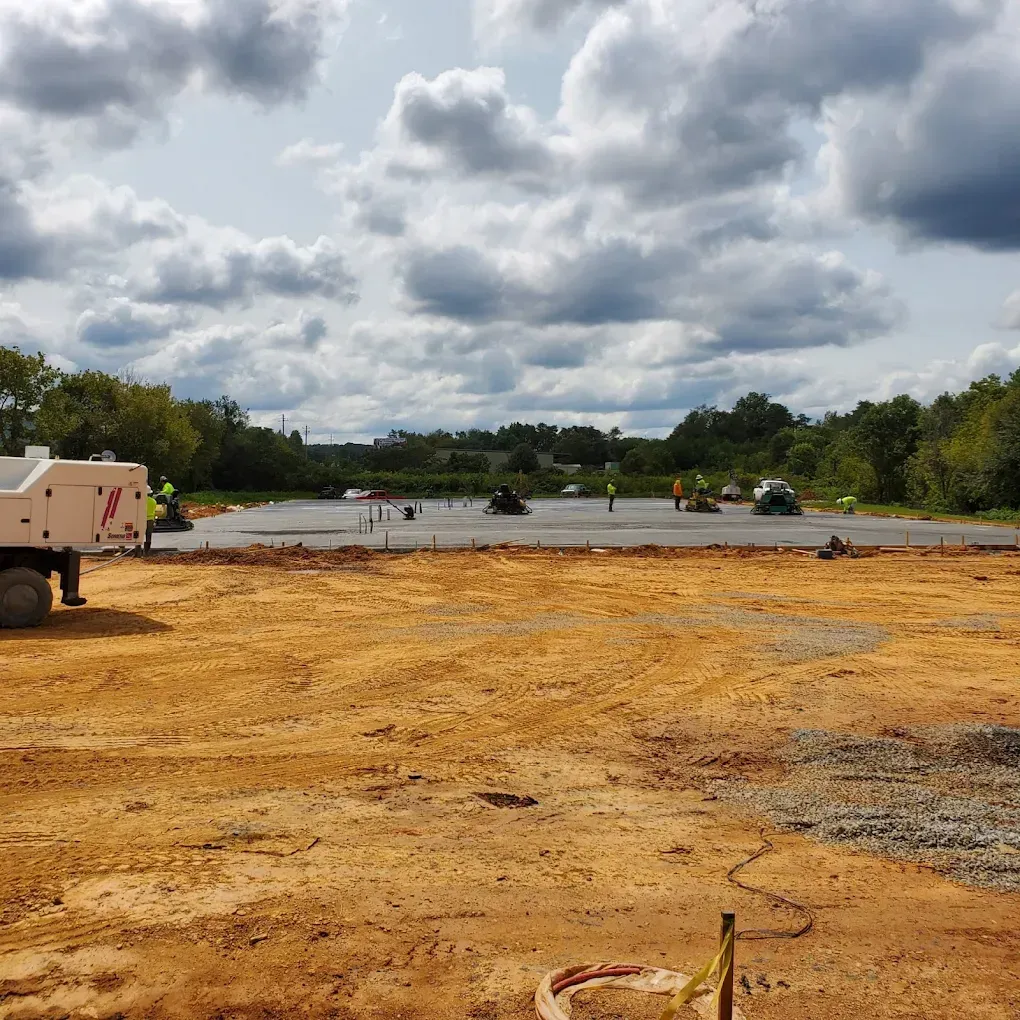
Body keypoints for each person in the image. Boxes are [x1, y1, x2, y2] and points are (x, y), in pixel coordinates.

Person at [142, 486, 157, 556]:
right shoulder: (153, 501)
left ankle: (138, 552)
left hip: (141, 520)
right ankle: (147, 552)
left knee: (138, 537)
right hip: (150, 520)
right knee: (148, 536)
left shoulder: (140, 500)